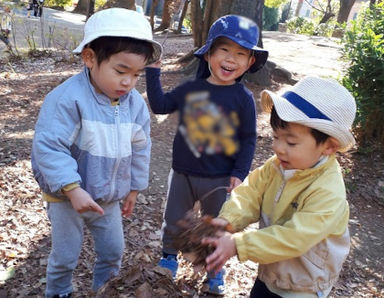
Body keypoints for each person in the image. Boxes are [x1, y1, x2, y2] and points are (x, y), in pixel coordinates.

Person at [31, 8, 162, 298]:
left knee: (113, 251)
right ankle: (59, 292)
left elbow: (140, 147)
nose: (128, 82)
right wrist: (73, 189)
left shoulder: (134, 105)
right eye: (120, 71)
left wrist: (134, 188)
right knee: (65, 257)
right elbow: (49, 147)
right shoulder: (67, 99)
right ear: (90, 58)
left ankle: (105, 291)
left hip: (107, 195)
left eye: (137, 74)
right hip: (67, 196)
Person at [145, 14, 268, 295]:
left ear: (250, 62)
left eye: (241, 53)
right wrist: (153, 71)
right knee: (174, 217)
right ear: (209, 53)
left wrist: (239, 173)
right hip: (183, 173)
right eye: (224, 49)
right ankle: (168, 255)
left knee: (216, 225)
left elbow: (248, 139)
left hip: (220, 177)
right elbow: (161, 105)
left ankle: (214, 269)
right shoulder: (192, 88)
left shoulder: (243, 99)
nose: (231, 59)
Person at [202, 76, 356, 298]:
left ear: (329, 146)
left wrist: (238, 245)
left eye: (291, 142)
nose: (278, 147)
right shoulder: (276, 167)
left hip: (304, 286)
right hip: (272, 271)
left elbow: (295, 237)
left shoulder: (328, 192)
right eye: (276, 136)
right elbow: (249, 194)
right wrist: (228, 221)